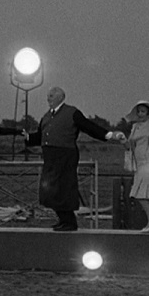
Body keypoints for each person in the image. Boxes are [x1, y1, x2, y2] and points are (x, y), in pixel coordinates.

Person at [24, 87, 118, 232]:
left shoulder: (72, 112)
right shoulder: (47, 116)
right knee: (49, 190)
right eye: (48, 96)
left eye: (51, 96)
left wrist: (108, 135)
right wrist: (28, 138)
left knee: (64, 189)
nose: (48, 98)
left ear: (60, 97)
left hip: (65, 156)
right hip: (50, 157)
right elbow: (41, 136)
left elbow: (88, 126)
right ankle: (63, 219)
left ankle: (69, 222)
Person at [122, 100, 149, 232]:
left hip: (147, 162)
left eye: (143, 111)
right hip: (139, 163)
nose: (140, 114)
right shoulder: (135, 127)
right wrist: (122, 140)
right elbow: (130, 145)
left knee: (141, 194)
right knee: (141, 195)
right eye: (138, 111)